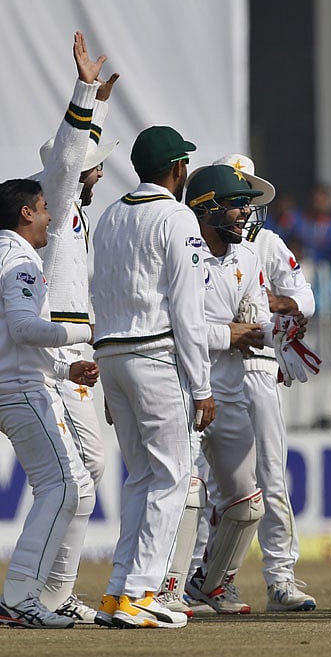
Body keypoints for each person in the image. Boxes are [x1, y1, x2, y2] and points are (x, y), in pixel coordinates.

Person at [0, 179, 98, 628]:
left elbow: (12, 336)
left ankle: (54, 595)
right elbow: (22, 328)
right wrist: (88, 331)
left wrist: (64, 370)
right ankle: (18, 599)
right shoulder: (19, 261)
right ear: (26, 213)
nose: (51, 217)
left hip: (14, 383)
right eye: (44, 208)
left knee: (80, 489)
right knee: (63, 487)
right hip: (16, 389)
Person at [91, 126, 213, 629]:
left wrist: (106, 369)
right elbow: (188, 309)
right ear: (178, 168)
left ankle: (118, 592)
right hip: (155, 355)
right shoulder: (177, 216)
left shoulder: (110, 216)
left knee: (141, 477)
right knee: (171, 477)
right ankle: (142, 592)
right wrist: (202, 387)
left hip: (113, 355)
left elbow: (100, 291)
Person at [28, 32, 118, 623]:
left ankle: (53, 589)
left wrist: (98, 109)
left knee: (84, 474)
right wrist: (86, 93)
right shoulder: (57, 210)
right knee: (76, 477)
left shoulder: (75, 215)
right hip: (58, 359)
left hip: (73, 355)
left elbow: (78, 158)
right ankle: (48, 591)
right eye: (98, 166)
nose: (102, 171)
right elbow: (67, 161)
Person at [215, 153, 320, 612]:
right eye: (235, 196)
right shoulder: (195, 239)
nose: (244, 207)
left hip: (258, 364)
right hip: (213, 363)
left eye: (248, 196)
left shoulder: (267, 242)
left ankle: (280, 577)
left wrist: (273, 302)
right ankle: (209, 577)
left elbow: (305, 299)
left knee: (271, 474)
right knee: (214, 482)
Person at [173, 164, 273, 615]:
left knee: (247, 503)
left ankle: (211, 584)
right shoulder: (181, 251)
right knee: (185, 493)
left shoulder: (247, 257)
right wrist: (225, 334)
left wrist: (275, 330)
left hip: (229, 390)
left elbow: (255, 323)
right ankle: (166, 587)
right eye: (236, 204)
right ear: (205, 208)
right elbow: (176, 326)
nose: (244, 213)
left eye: (245, 205)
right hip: (182, 386)